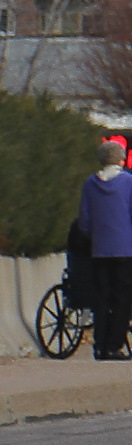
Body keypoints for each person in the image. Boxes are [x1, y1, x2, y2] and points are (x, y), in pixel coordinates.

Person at [77, 138, 132, 359]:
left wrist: (96, 237)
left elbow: (84, 220)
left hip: (99, 250)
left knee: (102, 297)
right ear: (121, 158)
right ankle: (114, 345)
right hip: (125, 249)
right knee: (122, 298)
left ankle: (99, 345)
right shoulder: (128, 182)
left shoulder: (90, 184)